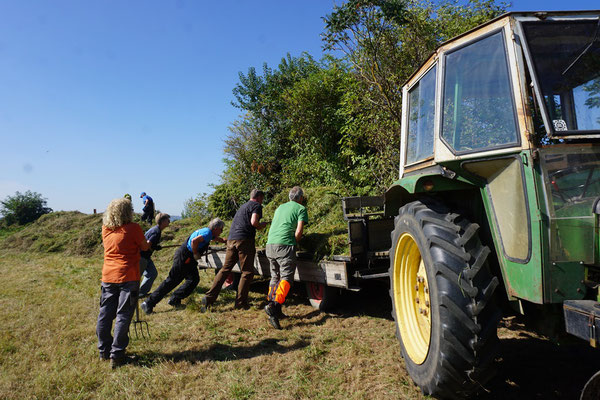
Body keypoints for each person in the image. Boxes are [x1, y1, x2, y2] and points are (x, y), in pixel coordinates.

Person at [96, 198, 151, 368]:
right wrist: (149, 244)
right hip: (128, 276)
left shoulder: (106, 229)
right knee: (123, 315)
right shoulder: (134, 228)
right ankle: (117, 355)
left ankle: (104, 351)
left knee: (105, 313)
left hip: (108, 276)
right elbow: (144, 247)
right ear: (128, 212)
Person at [141, 218, 226, 314]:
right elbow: (194, 241)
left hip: (188, 258)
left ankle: (175, 298)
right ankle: (148, 303)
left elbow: (212, 238)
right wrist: (195, 253)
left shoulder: (208, 232)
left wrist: (223, 240)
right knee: (172, 281)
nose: (221, 232)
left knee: (193, 279)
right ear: (216, 228)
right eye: (221, 229)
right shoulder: (207, 233)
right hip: (185, 257)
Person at [201, 189, 267, 311]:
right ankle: (241, 303)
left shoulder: (243, 207)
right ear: (258, 197)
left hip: (231, 240)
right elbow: (253, 222)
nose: (262, 201)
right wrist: (260, 226)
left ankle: (209, 297)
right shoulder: (256, 205)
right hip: (244, 240)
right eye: (262, 199)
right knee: (247, 272)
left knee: (225, 269)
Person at [263, 186, 308, 329]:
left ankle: (273, 306)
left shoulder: (280, 207)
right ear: (300, 198)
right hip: (285, 245)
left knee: (274, 277)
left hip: (270, 245)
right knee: (286, 278)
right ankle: (274, 307)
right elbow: (299, 230)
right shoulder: (301, 208)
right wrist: (296, 242)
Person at [139, 212, 171, 297]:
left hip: (146, 257)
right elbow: (148, 243)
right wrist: (154, 247)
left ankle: (141, 293)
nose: (169, 222)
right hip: (141, 256)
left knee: (152, 273)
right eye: (168, 220)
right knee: (135, 277)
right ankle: (132, 295)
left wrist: (154, 247)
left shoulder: (155, 229)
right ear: (163, 221)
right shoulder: (156, 232)